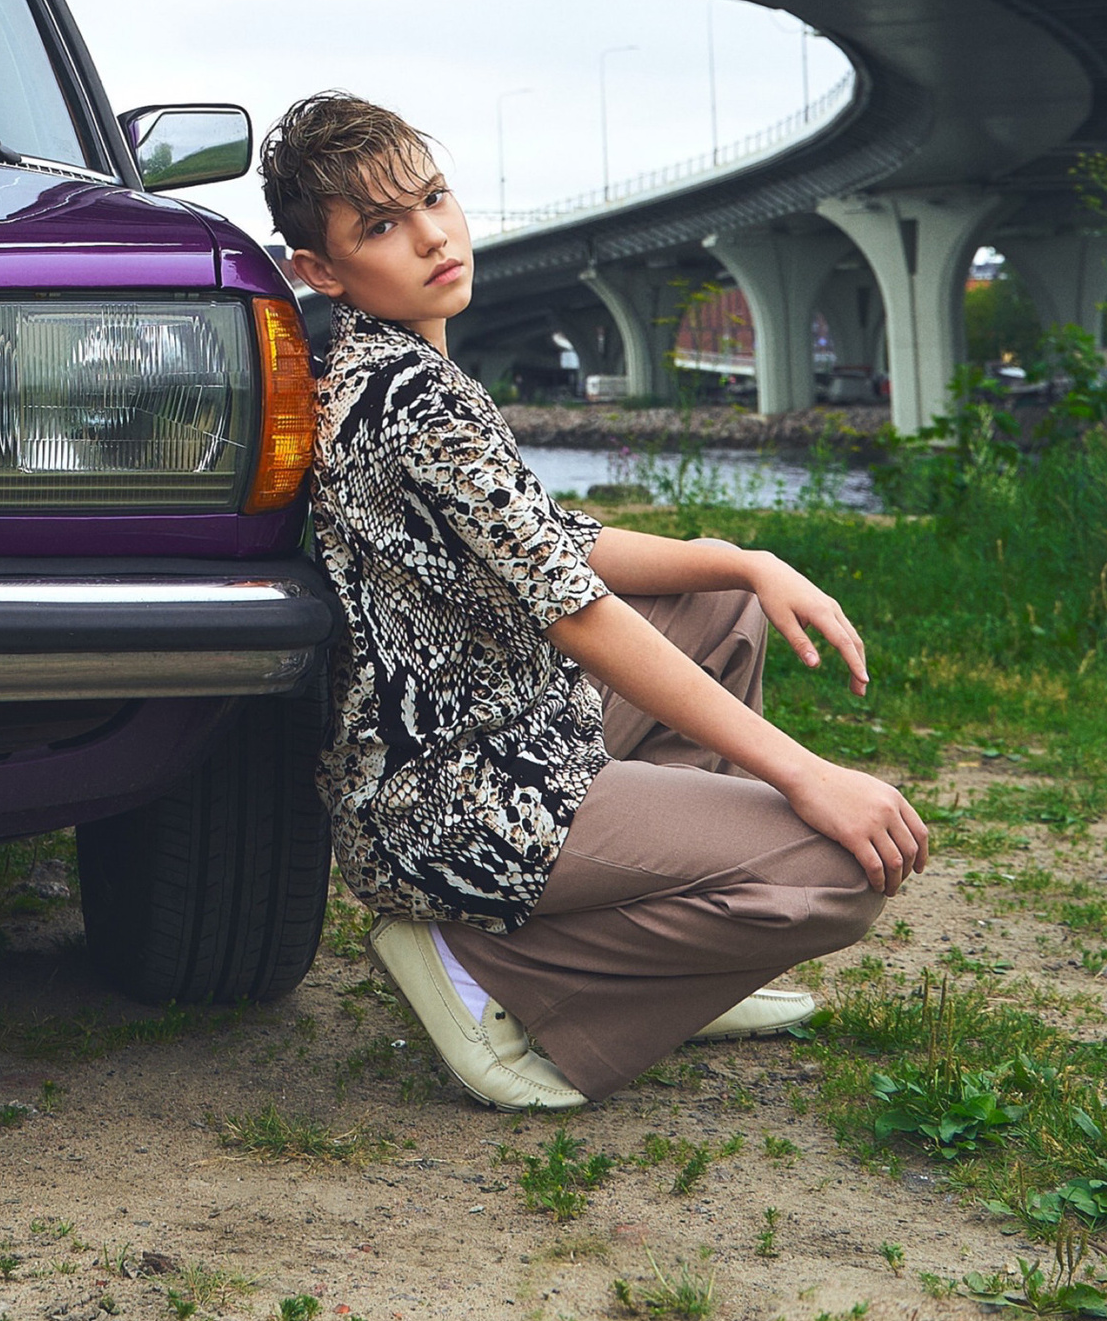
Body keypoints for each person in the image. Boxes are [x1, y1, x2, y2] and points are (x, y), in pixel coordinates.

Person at [264, 90, 923, 1109]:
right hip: (453, 799)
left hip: (472, 743)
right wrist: (806, 775)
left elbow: (551, 542)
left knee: (723, 610)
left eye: (433, 198)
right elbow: (576, 612)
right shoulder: (414, 402)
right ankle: (479, 968)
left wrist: (737, 558)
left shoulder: (386, 368)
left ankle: (673, 977)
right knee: (832, 870)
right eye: (381, 226)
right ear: (319, 269)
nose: (434, 235)